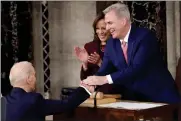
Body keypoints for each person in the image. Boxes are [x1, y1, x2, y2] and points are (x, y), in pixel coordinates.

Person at [82, 3, 181, 104]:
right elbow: (104, 70)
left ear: (123, 21)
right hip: (133, 100)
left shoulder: (145, 37)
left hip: (161, 99)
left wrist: (105, 79)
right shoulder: (111, 43)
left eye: (110, 23)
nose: (107, 28)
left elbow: (135, 69)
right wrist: (92, 82)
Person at [1, 61, 94, 121]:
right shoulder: (33, 100)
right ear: (29, 79)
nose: (36, 79)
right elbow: (66, 105)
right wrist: (85, 90)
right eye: (34, 75)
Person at [74, 12, 118, 94]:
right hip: (93, 93)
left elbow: (119, 75)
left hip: (112, 92)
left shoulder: (118, 46)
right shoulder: (90, 46)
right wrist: (85, 64)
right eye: (97, 28)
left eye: (103, 28)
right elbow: (84, 78)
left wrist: (100, 63)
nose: (100, 32)